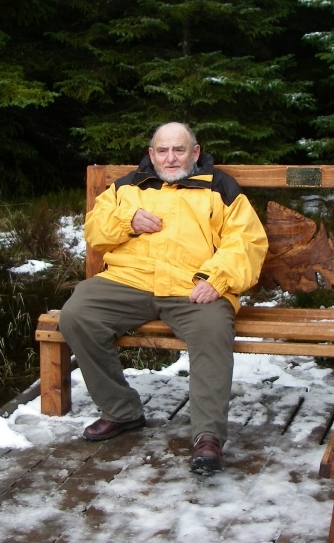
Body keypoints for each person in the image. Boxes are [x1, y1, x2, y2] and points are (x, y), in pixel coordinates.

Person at [59, 122, 268, 475]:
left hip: (192, 286)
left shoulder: (220, 188)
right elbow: (95, 229)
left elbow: (246, 242)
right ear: (152, 154)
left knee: (213, 328)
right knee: (78, 314)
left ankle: (208, 436)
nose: (171, 158)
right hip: (129, 281)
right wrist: (127, 220)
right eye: (163, 150)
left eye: (179, 150)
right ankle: (122, 411)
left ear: (195, 152)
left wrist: (216, 278)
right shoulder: (127, 186)